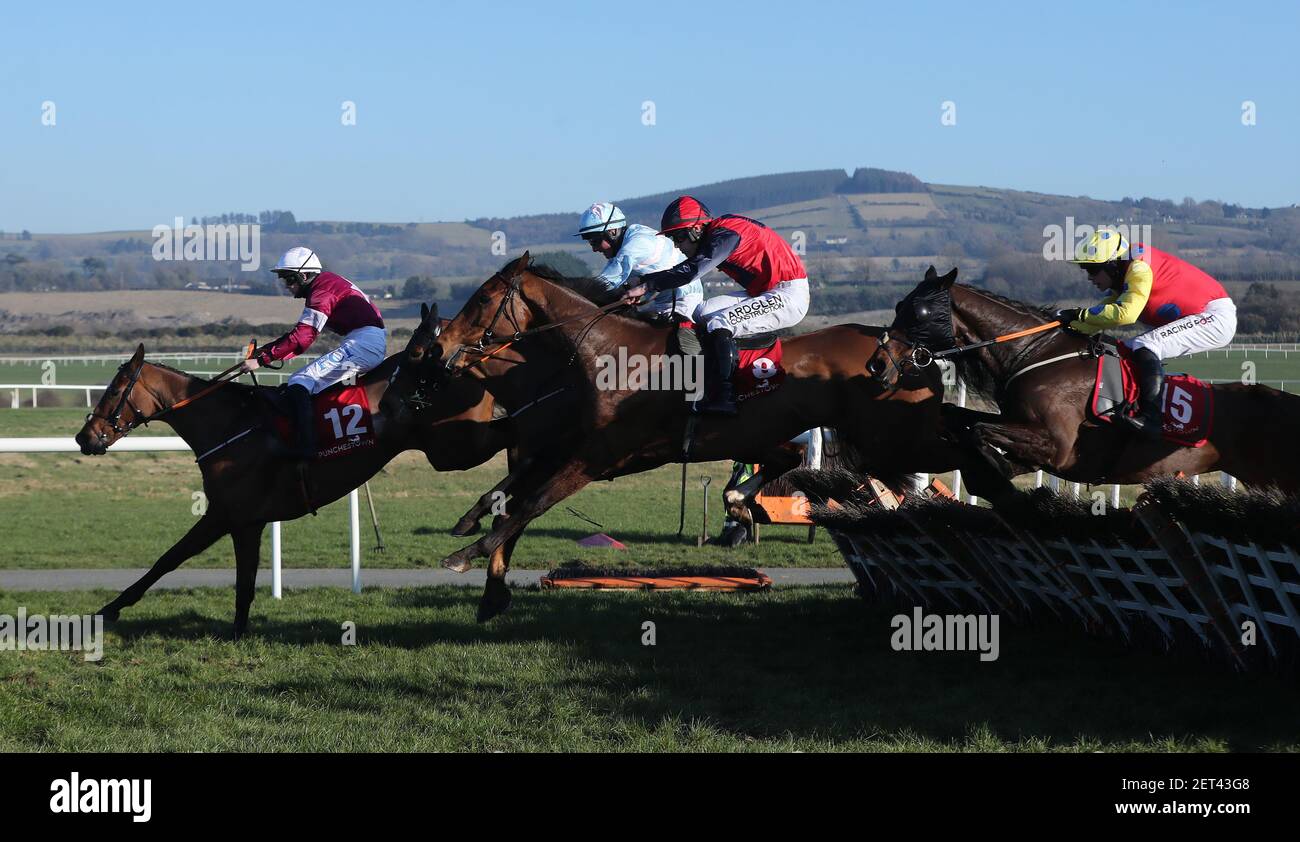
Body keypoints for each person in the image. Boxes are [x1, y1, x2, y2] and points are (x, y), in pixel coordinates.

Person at [624, 196, 810, 415]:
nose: (676, 244)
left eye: (679, 236)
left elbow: (692, 271)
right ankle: (707, 374)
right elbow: (688, 268)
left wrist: (647, 286)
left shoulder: (725, 234)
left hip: (788, 295)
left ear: (697, 229)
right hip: (768, 291)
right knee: (701, 312)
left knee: (720, 322)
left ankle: (726, 395)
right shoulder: (720, 231)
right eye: (673, 238)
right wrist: (646, 282)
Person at [1056, 229, 1236, 438]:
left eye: (1092, 269)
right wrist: (1070, 325)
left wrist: (1079, 315)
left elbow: (1125, 313)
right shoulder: (1125, 272)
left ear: (1112, 264)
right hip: (1200, 315)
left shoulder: (1138, 267)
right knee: (1127, 348)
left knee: (1146, 344)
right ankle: (1131, 405)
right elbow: (1102, 314)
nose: (1089, 277)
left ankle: (1152, 418)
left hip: (1214, 317)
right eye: (1085, 269)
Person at [239, 247, 387, 459]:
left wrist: (262, 359)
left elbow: (304, 336)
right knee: (303, 381)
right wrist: (266, 350)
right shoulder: (325, 283)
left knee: (300, 381)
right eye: (285, 280)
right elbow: (300, 333)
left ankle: (306, 451)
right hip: (365, 340)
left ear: (305, 276)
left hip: (364, 344)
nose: (288, 286)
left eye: (290, 279)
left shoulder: (322, 291)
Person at [576, 201, 701, 325]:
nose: (594, 249)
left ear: (612, 232)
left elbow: (606, 282)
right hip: (659, 302)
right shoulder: (625, 243)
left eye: (595, 242)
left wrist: (573, 296)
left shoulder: (635, 244)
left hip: (682, 301)